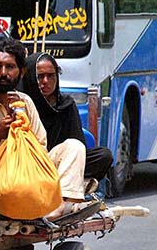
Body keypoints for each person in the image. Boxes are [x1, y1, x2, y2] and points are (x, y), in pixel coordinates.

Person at [0, 37, 87, 219]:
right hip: (0, 176)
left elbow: (41, 144)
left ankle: (62, 204)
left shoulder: (25, 101)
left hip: (31, 169)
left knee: (74, 146)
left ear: (21, 72)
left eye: (10, 67)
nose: (3, 73)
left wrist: (24, 144)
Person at [21, 52, 113, 185]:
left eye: (51, 76)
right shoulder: (22, 105)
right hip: (33, 164)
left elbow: (77, 143)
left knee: (103, 156)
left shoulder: (66, 104)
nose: (45, 81)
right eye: (40, 77)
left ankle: (64, 181)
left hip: (63, 160)